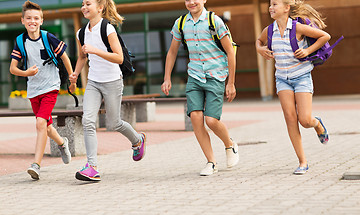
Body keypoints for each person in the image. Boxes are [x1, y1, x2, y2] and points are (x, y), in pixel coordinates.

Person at [70, 0, 146, 182]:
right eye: (82, 4)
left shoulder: (108, 29)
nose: (84, 7)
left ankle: (137, 140)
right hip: (94, 82)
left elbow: (119, 57)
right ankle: (92, 167)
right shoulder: (81, 32)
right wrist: (74, 74)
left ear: (100, 7)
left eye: (88, 3)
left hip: (112, 81)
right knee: (88, 120)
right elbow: (82, 56)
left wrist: (95, 50)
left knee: (114, 123)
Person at [161, 0, 239, 176]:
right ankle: (211, 162)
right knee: (196, 118)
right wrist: (167, 78)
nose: (191, 2)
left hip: (216, 75)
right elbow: (172, 52)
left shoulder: (215, 21)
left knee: (211, 120)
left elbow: (230, 52)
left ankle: (230, 144)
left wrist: (231, 82)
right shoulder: (181, 23)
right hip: (195, 76)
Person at [256, 0, 330, 175]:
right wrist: (260, 49)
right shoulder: (269, 30)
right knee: (290, 118)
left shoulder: (297, 28)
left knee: (305, 120)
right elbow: (259, 41)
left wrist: (308, 51)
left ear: (286, 8)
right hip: (282, 79)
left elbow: (325, 36)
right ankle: (303, 161)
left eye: (275, 4)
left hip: (302, 76)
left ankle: (317, 123)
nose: (270, 7)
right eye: (270, 4)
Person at [9, 0, 75, 180]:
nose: (32, 21)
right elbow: (13, 69)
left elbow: (64, 57)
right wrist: (26, 72)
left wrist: (72, 78)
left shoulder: (48, 38)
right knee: (45, 126)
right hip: (33, 90)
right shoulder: (20, 41)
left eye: (36, 18)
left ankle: (36, 165)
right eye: (29, 18)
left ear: (42, 20)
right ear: (22, 20)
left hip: (51, 87)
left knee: (39, 123)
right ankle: (62, 143)